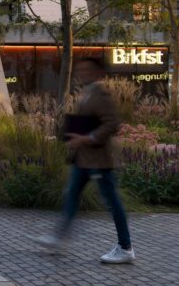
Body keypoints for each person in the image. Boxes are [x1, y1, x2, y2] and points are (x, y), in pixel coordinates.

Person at [35, 57, 134, 264]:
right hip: (83, 159)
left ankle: (125, 247)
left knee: (112, 202)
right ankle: (59, 238)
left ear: (97, 73)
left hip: (99, 160)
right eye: (80, 70)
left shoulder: (102, 94)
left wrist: (86, 138)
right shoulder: (86, 93)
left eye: (86, 70)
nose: (81, 73)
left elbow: (112, 124)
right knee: (71, 195)